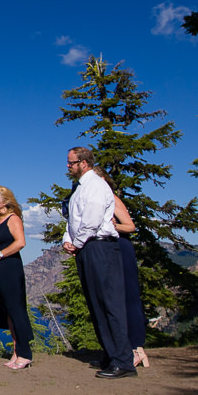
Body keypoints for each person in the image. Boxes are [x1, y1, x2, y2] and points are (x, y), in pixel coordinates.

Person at [63, 146, 136, 379]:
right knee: (96, 304)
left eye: (71, 162)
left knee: (110, 303)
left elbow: (91, 220)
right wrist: (68, 239)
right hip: (88, 247)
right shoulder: (79, 189)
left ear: (84, 163)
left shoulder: (95, 185)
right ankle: (110, 355)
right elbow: (73, 220)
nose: (68, 166)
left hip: (100, 247)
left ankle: (124, 361)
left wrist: (78, 242)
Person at [0, 185, 34, 370]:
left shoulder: (13, 218)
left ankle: (25, 354)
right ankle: (16, 352)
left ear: (5, 200)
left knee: (16, 308)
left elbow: (21, 242)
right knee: (7, 308)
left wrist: (0, 254)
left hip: (10, 267)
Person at [109, 188, 150, 369]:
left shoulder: (112, 198)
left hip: (121, 248)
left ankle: (136, 349)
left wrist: (110, 226)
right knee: (113, 301)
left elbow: (130, 226)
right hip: (107, 250)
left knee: (129, 298)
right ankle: (119, 350)